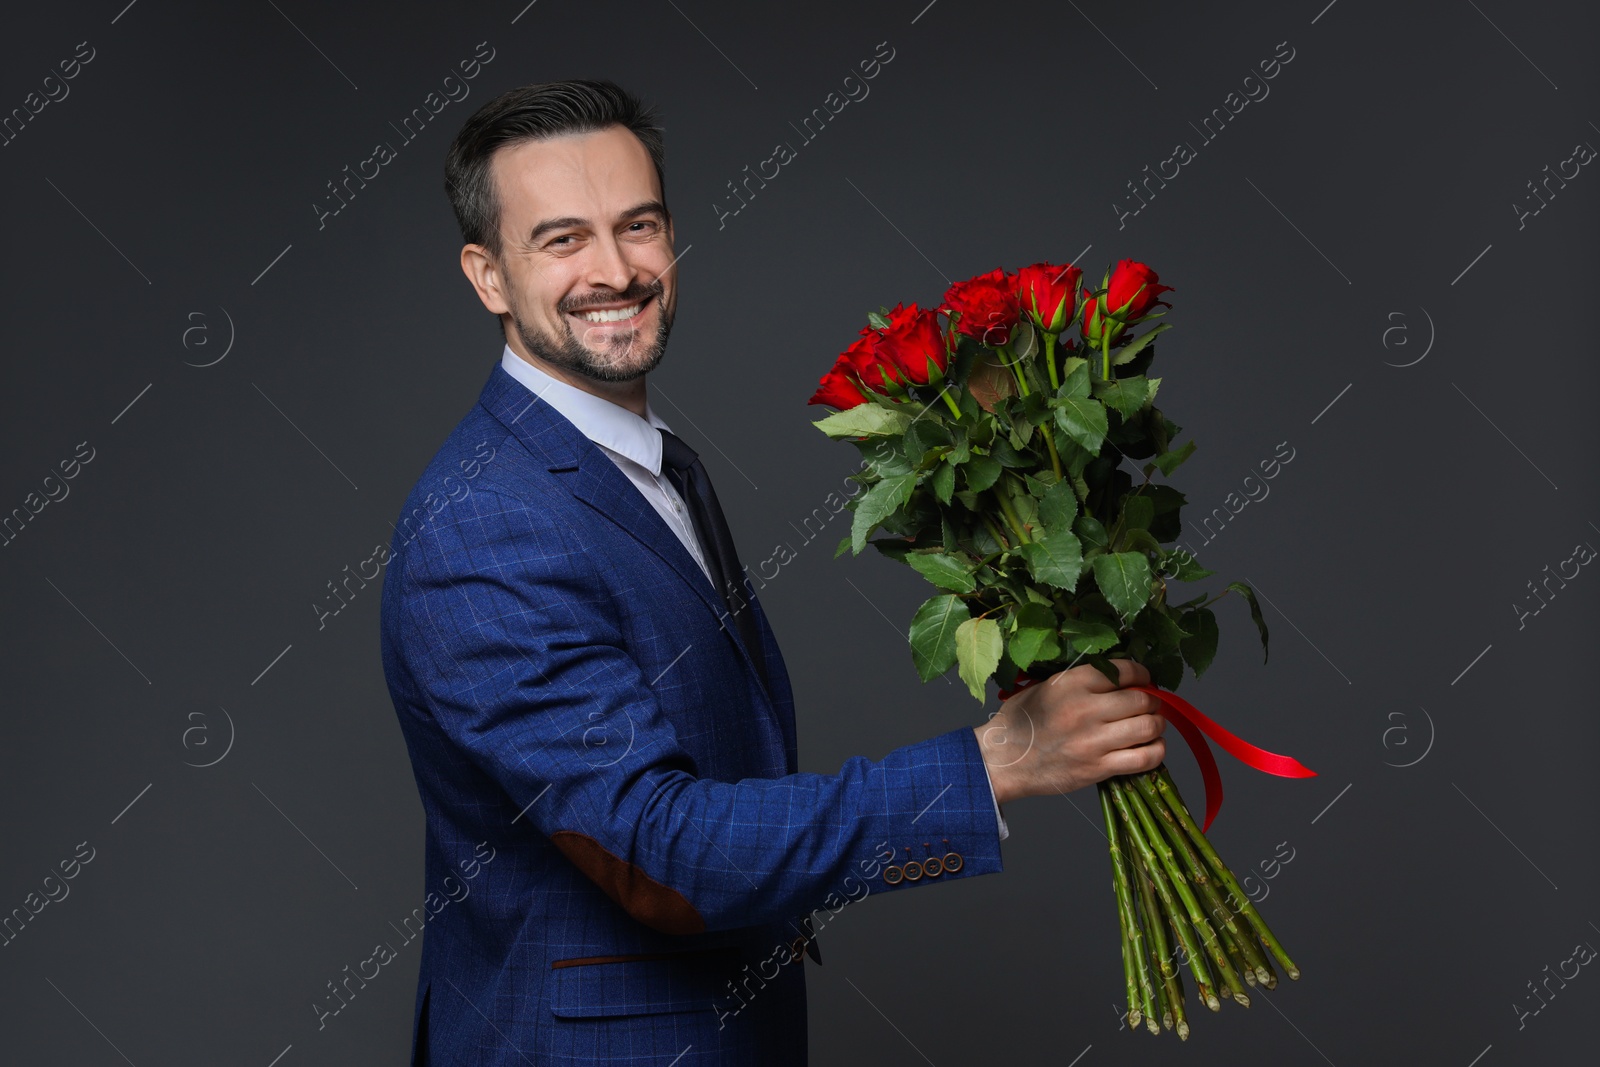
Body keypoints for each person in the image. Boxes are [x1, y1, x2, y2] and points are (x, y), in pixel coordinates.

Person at [378, 78, 1168, 1067]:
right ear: (487, 275)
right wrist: (994, 763)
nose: (616, 269)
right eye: (562, 239)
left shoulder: (647, 465)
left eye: (639, 225)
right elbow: (657, 848)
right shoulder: (487, 522)